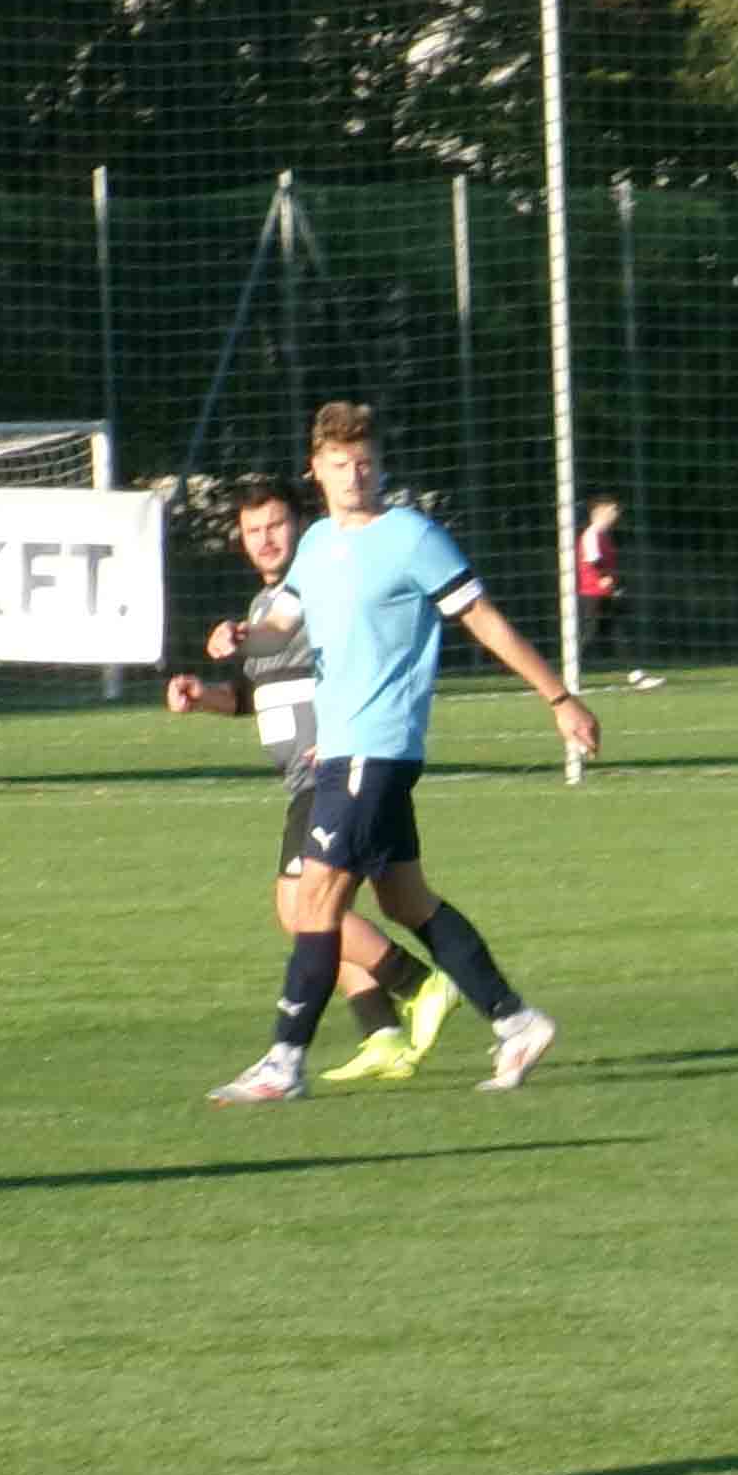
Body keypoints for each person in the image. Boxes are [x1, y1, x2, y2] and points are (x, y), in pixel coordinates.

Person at [211, 403, 605, 1104]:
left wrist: (558, 696)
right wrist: (238, 639)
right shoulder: (316, 545)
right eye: (340, 464)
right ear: (317, 469)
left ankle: (283, 1062)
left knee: (315, 901)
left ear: (380, 465)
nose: (355, 476)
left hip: (376, 746)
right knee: (405, 899)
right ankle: (516, 1022)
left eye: (365, 462)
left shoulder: (413, 537)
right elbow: (279, 626)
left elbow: (483, 618)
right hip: (344, 752)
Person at [167, 478, 459, 1086]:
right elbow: (253, 696)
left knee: (306, 910)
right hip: (310, 781)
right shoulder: (264, 608)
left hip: (336, 773)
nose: (265, 539)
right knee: (327, 913)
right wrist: (203, 697)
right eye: (253, 530)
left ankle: (421, 984)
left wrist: (346, 731)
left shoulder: (324, 589)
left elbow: (360, 664)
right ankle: (383, 1032)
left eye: (276, 525)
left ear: (301, 526)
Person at [574, 496, 659, 689]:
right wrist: (605, 577)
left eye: (615, 511)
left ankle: (636, 676)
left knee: (617, 632)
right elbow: (593, 560)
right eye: (611, 511)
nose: (615, 515)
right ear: (598, 513)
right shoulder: (591, 534)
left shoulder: (604, 536)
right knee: (591, 635)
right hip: (593, 594)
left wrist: (616, 587)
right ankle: (566, 674)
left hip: (605, 592)